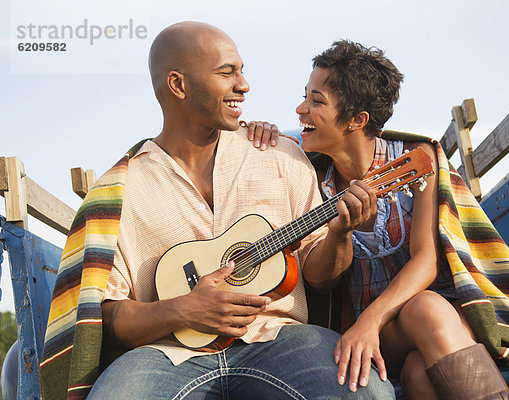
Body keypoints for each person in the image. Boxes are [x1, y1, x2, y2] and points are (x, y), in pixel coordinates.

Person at [39, 22, 396, 399]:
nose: (243, 85)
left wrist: (340, 235)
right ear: (178, 85)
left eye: (241, 70)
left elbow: (321, 277)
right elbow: (109, 317)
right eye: (228, 72)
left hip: (279, 339)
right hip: (167, 354)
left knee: (367, 391)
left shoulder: (278, 153)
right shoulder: (121, 190)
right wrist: (184, 310)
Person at [291, 40, 509, 399]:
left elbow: (427, 261)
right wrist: (340, 234)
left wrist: (369, 321)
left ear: (357, 120)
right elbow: (320, 283)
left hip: (438, 316)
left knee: (419, 370)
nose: (301, 109)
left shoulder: (415, 159)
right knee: (420, 323)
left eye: (316, 101)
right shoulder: (311, 181)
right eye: (305, 97)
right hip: (382, 335)